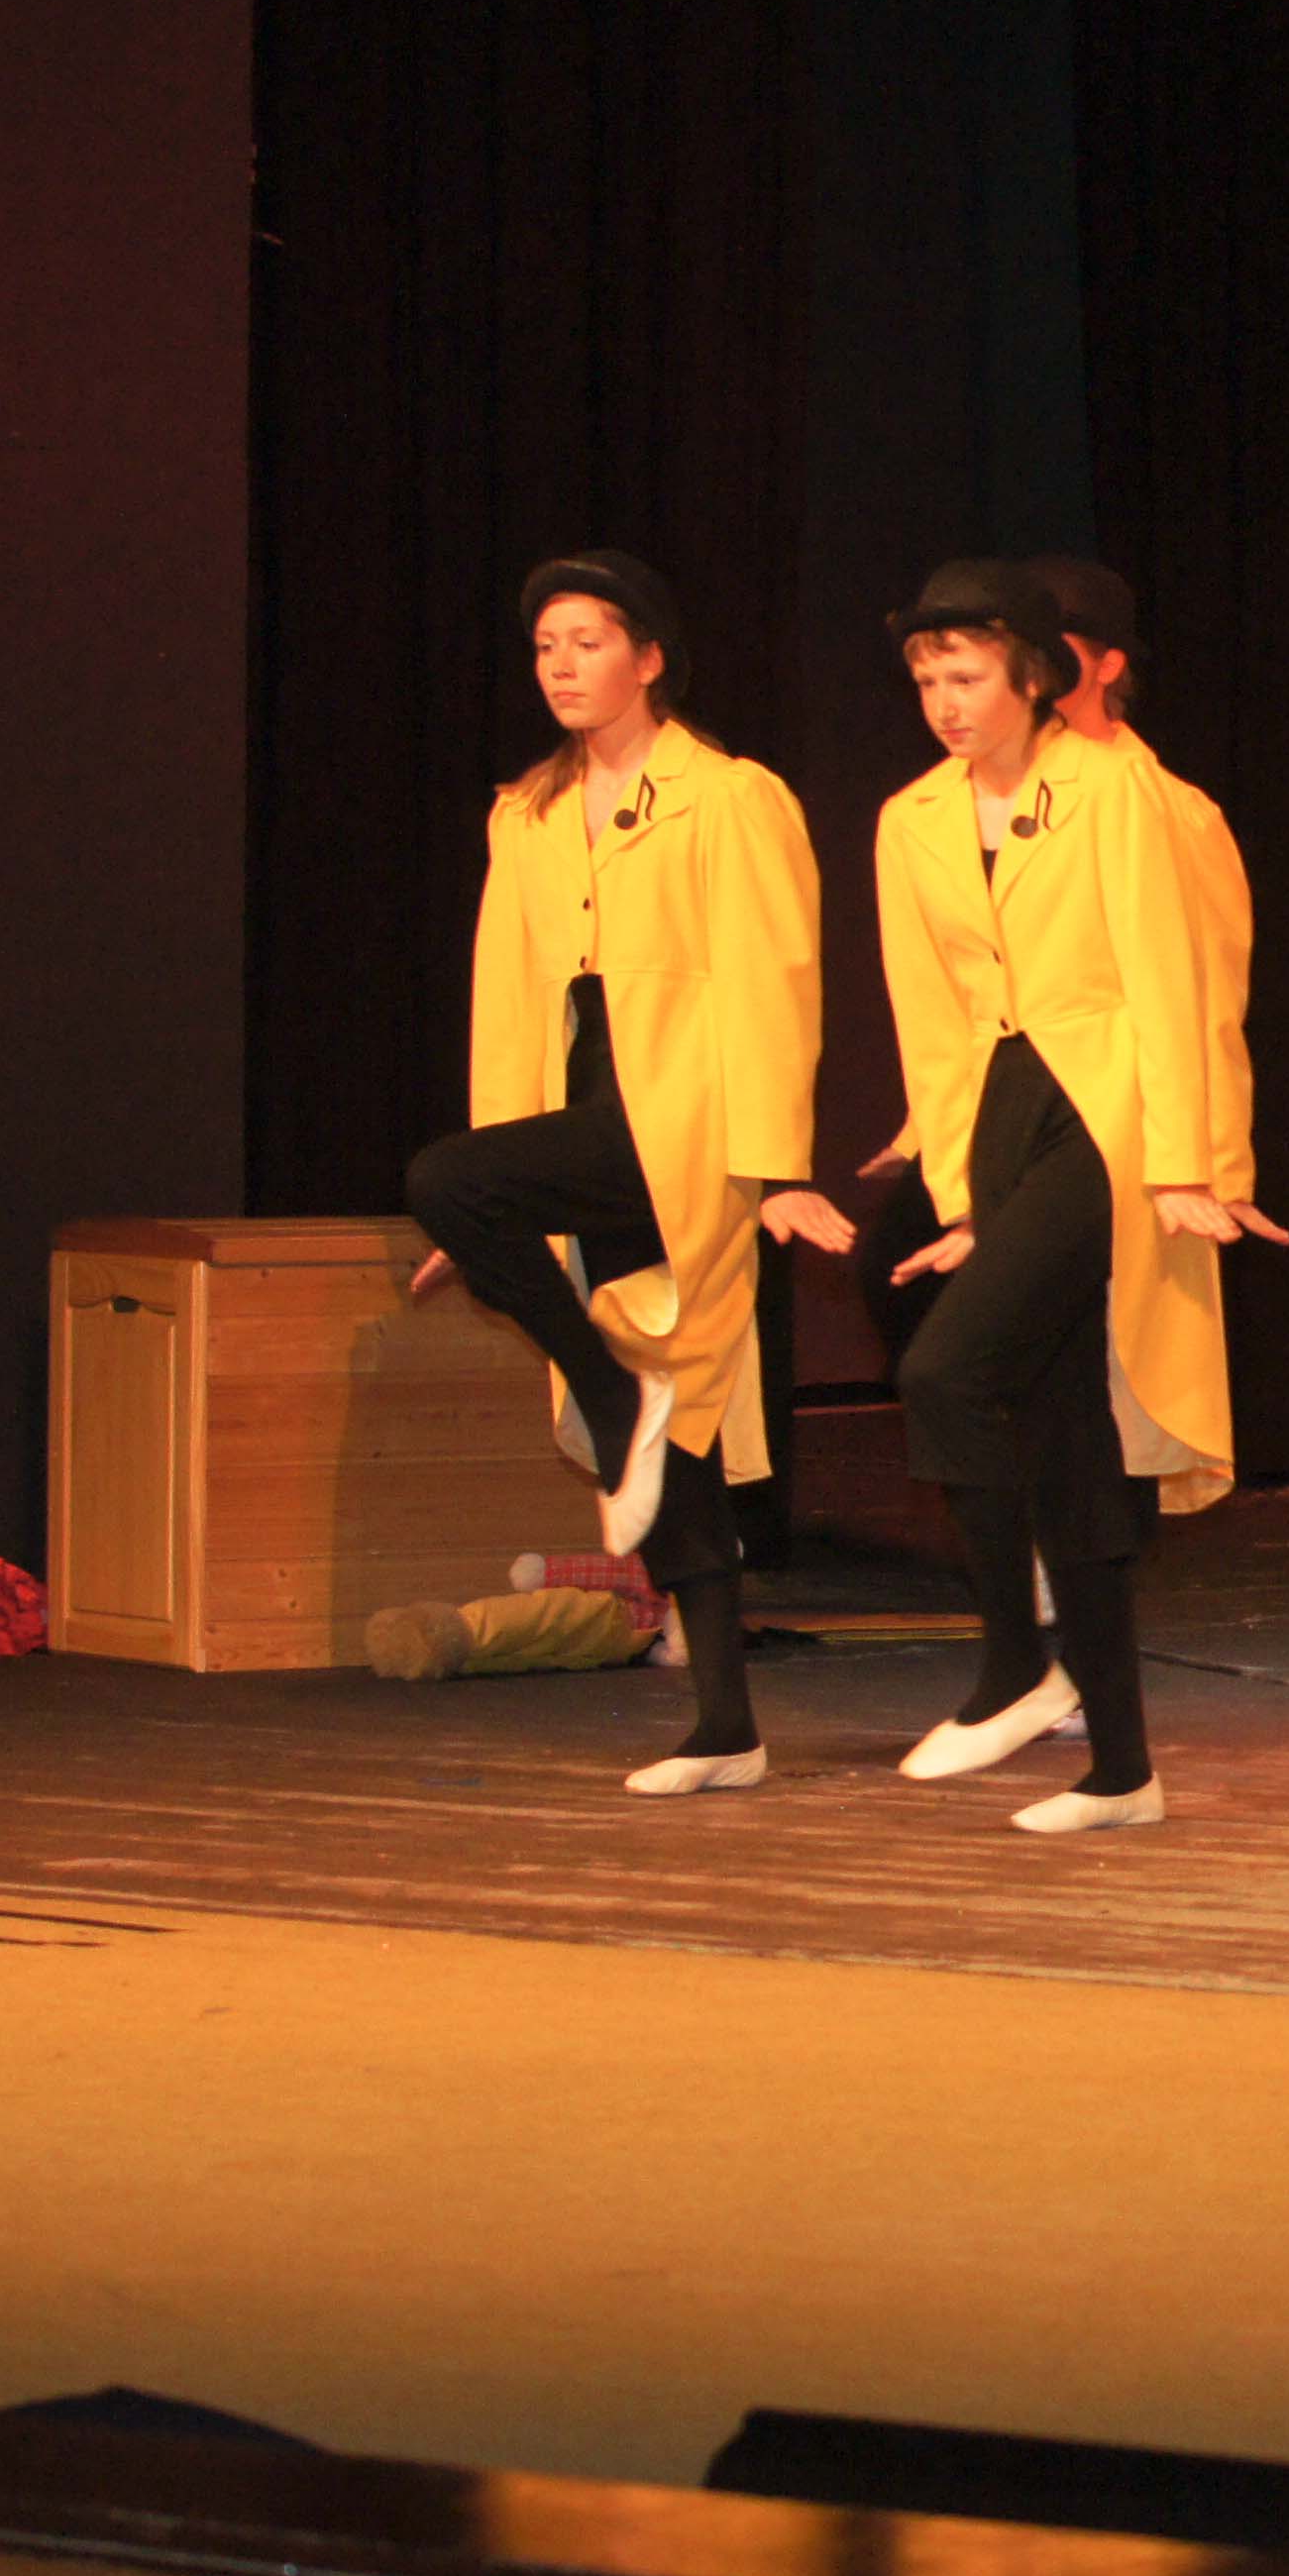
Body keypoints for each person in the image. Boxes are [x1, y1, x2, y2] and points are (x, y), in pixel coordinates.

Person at [406, 552, 838, 1796]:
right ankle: (725, 1726)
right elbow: (508, 1006)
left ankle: (614, 1398)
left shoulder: (729, 797)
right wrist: (499, 1193)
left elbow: (776, 984)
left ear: (649, 657)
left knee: (458, 1193)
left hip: (686, 1130)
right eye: (546, 645)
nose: (561, 666)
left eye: (588, 641)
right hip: (586, 1121)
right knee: (672, 1425)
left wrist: (776, 1165)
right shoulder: (528, 813)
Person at [870, 560, 1239, 1834]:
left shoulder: (1113, 788)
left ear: (1032, 676)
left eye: (967, 675)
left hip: (1107, 1107)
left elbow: (1170, 977)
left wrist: (1185, 1161)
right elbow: (930, 1021)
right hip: (1001, 1113)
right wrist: (958, 1192)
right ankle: (1124, 1767)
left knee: (946, 1370)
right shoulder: (911, 816)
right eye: (927, 678)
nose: (945, 701)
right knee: (1067, 1429)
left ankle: (1016, 1665)